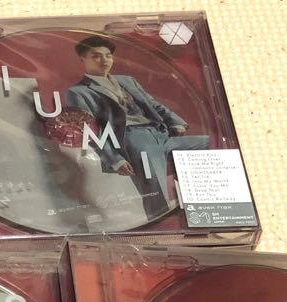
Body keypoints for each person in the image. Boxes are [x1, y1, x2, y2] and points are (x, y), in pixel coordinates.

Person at [65, 35, 209, 215]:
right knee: (156, 194)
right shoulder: (78, 92)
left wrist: (175, 122)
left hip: (160, 133)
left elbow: (152, 104)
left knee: (210, 144)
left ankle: (204, 203)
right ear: (82, 59)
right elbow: (90, 130)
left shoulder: (127, 80)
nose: (105, 60)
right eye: (96, 56)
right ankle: (159, 227)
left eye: (108, 55)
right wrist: (115, 159)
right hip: (134, 140)